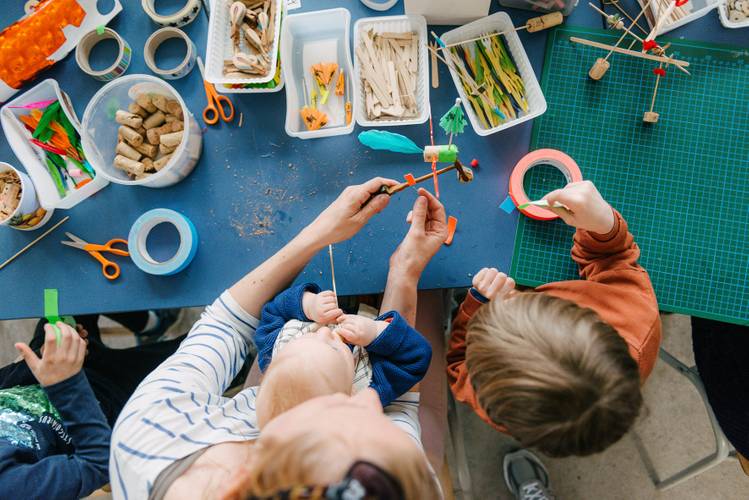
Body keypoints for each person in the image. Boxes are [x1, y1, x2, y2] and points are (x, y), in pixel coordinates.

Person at [109, 180, 448, 500]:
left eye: (334, 407)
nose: (371, 401)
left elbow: (227, 323)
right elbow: (401, 407)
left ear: (239, 483)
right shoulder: (396, 480)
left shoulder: (148, 437)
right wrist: (405, 272)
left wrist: (319, 234)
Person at [447, 181, 661, 495]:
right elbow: (614, 260)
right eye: (528, 300)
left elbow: (456, 365)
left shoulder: (502, 405)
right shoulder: (636, 316)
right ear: (583, 313)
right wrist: (602, 225)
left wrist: (476, 305)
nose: (513, 297)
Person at [0, 312, 184, 500]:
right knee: (205, 345)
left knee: (68, 292)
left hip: (49, 373)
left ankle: (150, 324)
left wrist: (43, 357)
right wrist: (65, 382)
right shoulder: (9, 489)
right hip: (109, 399)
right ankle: (155, 324)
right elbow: (98, 464)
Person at [253, 283, 432, 425]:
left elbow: (274, 310)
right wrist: (374, 331)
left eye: (308, 337)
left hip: (327, 296)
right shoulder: (369, 387)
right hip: (380, 307)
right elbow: (416, 356)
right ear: (349, 394)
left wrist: (309, 304)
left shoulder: (276, 349)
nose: (323, 333)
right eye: (334, 348)